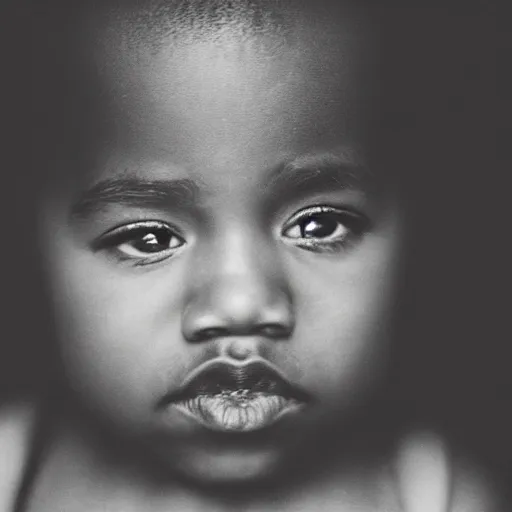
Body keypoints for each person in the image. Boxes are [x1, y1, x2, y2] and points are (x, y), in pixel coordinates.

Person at [0, 1, 500, 510]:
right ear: (31, 245)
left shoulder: (436, 491)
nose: (242, 304)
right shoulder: (13, 470)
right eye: (149, 239)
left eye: (319, 225)